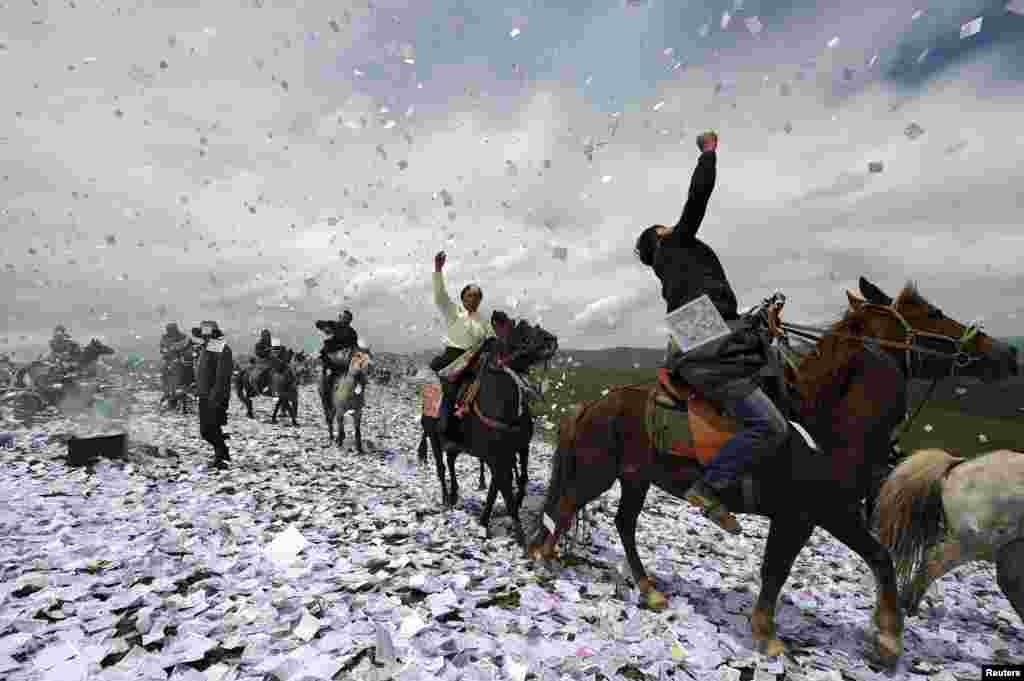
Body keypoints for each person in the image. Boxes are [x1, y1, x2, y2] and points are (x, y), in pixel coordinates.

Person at [633, 130, 788, 535]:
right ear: (661, 237)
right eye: (666, 226)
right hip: (703, 334)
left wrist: (755, 324)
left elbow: (715, 315)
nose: (673, 225)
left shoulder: (674, 267)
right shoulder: (677, 245)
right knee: (770, 425)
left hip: (701, 329)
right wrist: (708, 154)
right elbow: (698, 198)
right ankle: (712, 485)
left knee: (774, 367)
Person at [431, 250, 495, 450]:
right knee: (451, 393)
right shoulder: (453, 311)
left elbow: (492, 340)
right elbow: (440, 296)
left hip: (475, 362)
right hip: (452, 359)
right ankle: (446, 433)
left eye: (477, 296)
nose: (474, 299)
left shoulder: (484, 321)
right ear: (463, 297)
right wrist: (438, 270)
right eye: (470, 295)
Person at [192, 320, 233, 470]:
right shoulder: (206, 348)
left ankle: (221, 455)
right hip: (205, 395)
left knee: (209, 430)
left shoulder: (220, 348)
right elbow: (203, 372)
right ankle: (222, 454)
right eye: (204, 335)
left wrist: (214, 397)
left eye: (208, 335)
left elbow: (222, 376)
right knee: (210, 429)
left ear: (214, 334)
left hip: (215, 397)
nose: (205, 337)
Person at [315, 310, 360, 410]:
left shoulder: (352, 332)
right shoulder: (333, 325)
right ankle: (326, 397)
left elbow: (355, 346)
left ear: (350, 320)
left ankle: (355, 399)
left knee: (356, 375)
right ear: (340, 317)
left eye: (348, 319)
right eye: (344, 318)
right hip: (329, 358)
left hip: (344, 359)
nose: (345, 320)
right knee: (327, 376)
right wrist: (325, 328)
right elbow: (318, 323)